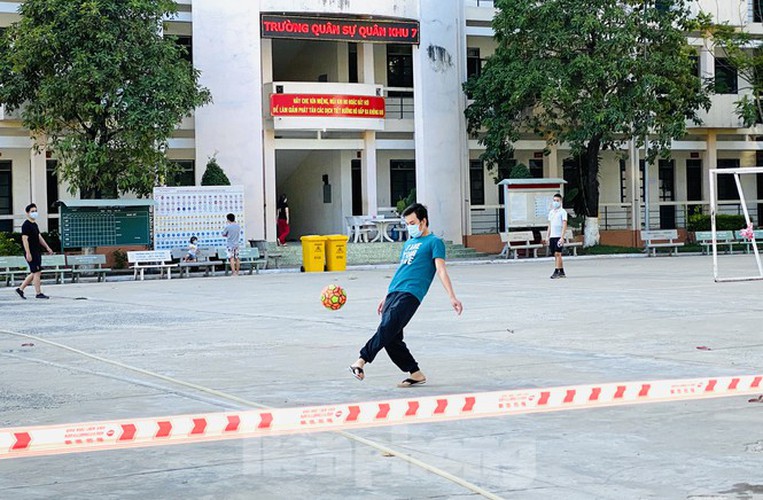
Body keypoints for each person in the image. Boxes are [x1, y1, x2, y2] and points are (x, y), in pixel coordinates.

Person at [349, 203, 463, 388]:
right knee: (391, 337)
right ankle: (415, 373)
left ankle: (361, 360)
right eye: (407, 223)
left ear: (423, 221)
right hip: (394, 291)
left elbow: (441, 270)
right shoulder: (409, 243)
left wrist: (452, 296)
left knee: (388, 326)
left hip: (411, 293)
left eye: (412, 222)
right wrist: (386, 295)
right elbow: (401, 270)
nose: (410, 226)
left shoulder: (435, 242)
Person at [16, 203, 54, 299]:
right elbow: (25, 239)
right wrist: (28, 253)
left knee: (35, 272)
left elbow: (39, 237)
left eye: (35, 211)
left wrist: (47, 247)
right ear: (27, 213)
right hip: (31, 252)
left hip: (37, 251)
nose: (34, 213)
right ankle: (38, 293)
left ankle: (20, 289)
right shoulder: (26, 225)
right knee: (37, 272)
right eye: (32, 211)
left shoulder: (34, 224)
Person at [543, 193, 568, 279]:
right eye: (554, 200)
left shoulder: (563, 212)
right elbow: (550, 225)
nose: (555, 202)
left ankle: (556, 271)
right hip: (552, 236)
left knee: (558, 253)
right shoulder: (551, 212)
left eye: (557, 201)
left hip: (558, 235)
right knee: (556, 254)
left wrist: (562, 237)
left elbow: (564, 224)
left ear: (561, 201)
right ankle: (561, 271)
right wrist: (547, 236)